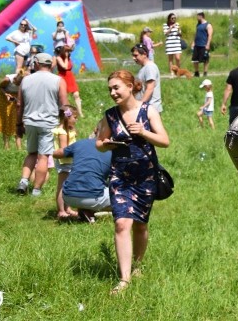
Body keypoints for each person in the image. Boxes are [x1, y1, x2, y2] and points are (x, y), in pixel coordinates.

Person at [96, 70, 170, 295]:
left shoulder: (148, 111)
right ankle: (124, 279)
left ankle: (137, 265)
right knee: (121, 224)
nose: (112, 92)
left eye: (116, 87)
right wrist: (106, 144)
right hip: (119, 177)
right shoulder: (110, 115)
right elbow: (98, 142)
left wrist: (145, 133)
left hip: (145, 176)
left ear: (130, 86)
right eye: (110, 89)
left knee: (140, 224)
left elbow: (165, 141)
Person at [16, 52, 68, 196]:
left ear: (36, 64)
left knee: (31, 153)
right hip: (49, 123)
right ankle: (37, 190)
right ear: (51, 64)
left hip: (30, 122)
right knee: (43, 156)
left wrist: (18, 124)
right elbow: (65, 105)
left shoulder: (26, 80)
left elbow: (19, 104)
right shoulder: (58, 80)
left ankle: (24, 180)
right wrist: (67, 121)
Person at [52, 134, 112, 223]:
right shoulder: (113, 150)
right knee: (124, 199)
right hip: (94, 197)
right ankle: (90, 210)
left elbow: (57, 154)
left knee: (88, 182)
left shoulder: (80, 143)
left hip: (68, 196)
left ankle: (85, 212)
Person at [52, 106, 79, 220]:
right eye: (75, 117)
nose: (76, 120)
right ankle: (61, 210)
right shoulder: (62, 132)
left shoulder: (68, 129)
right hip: (64, 162)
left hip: (69, 161)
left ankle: (67, 208)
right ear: (67, 117)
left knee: (67, 185)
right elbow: (64, 150)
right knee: (62, 186)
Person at [0, 70, 25, 150]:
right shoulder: (7, 80)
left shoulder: (25, 81)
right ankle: (6, 146)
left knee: (17, 121)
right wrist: (6, 94)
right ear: (15, 79)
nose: (18, 85)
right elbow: (0, 87)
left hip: (16, 98)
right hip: (5, 98)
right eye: (17, 84)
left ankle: (19, 148)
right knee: (6, 120)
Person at [131, 44, 162, 113]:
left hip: (150, 109)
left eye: (136, 55)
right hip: (145, 108)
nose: (133, 58)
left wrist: (140, 105)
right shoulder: (144, 68)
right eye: (133, 55)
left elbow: (150, 89)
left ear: (144, 54)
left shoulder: (150, 67)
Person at [55, 45, 84, 118]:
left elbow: (70, 66)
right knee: (63, 96)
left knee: (76, 94)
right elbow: (64, 66)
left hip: (70, 76)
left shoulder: (69, 58)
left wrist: (68, 57)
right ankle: (65, 114)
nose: (67, 53)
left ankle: (80, 113)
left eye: (68, 51)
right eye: (66, 51)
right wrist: (66, 58)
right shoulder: (58, 58)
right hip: (62, 76)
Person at [192, 12, 213, 77]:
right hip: (197, 45)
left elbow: (210, 35)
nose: (197, 18)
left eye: (198, 16)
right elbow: (196, 34)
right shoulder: (198, 24)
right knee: (195, 59)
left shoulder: (208, 25)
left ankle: (205, 72)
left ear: (201, 16)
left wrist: (208, 44)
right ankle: (196, 72)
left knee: (205, 60)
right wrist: (193, 42)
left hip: (204, 45)